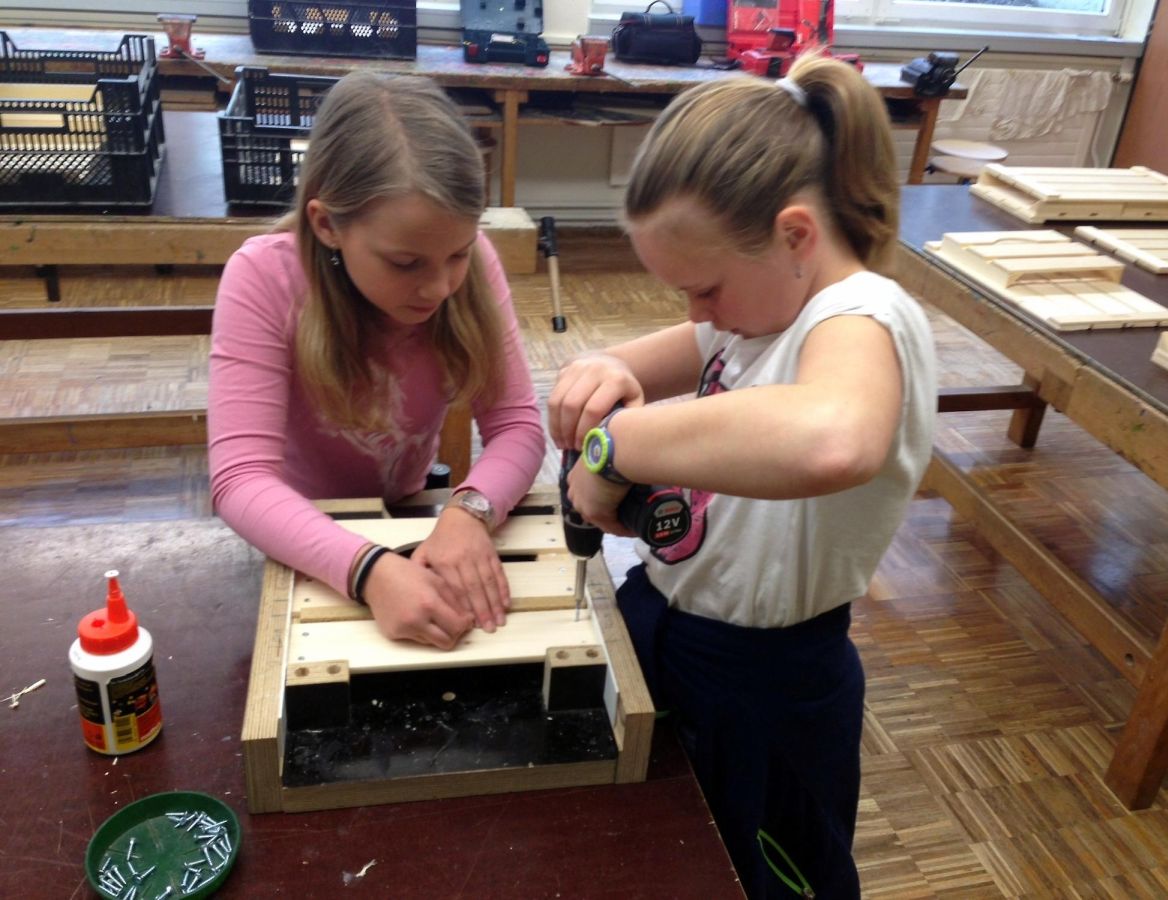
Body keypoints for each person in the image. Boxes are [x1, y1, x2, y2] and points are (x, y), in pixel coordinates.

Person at [549, 55, 936, 898]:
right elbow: (625, 363)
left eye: (704, 287)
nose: (695, 313)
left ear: (795, 236)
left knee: (774, 879)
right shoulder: (758, 313)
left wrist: (617, 449)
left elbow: (833, 440)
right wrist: (601, 372)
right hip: (666, 626)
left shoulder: (864, 315)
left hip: (768, 683)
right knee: (659, 851)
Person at [209, 72, 544, 650]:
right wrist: (367, 569)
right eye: (405, 263)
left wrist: (469, 511)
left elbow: (517, 424)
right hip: (300, 530)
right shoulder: (264, 276)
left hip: (411, 510)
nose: (439, 286)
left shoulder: (469, 264)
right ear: (326, 225)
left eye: (459, 254)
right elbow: (240, 479)